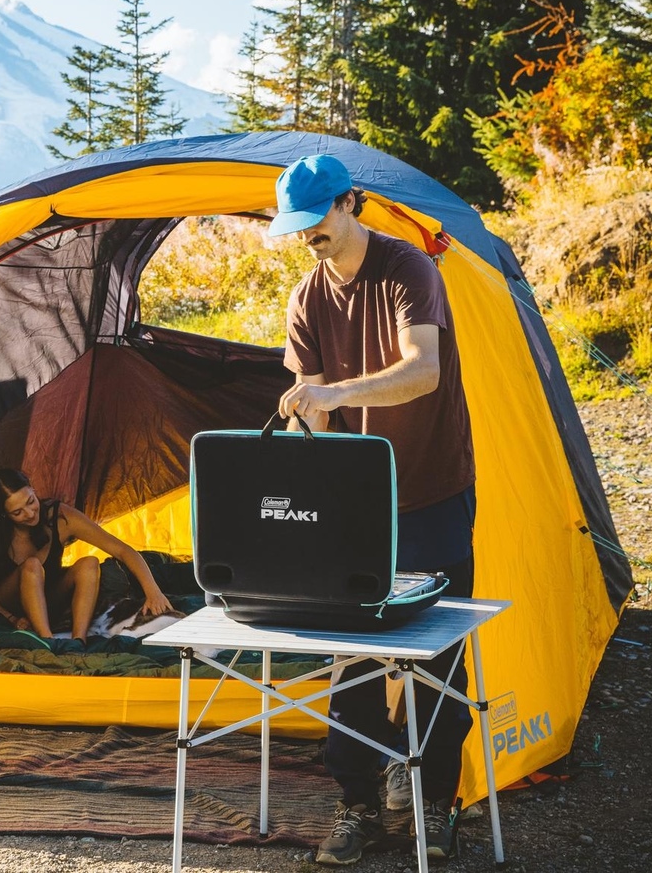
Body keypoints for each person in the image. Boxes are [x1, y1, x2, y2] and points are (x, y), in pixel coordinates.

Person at [269, 155, 477, 865]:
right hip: (357, 505)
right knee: (352, 657)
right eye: (296, 228)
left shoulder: (411, 270)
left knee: (438, 655)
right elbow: (316, 415)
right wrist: (305, 429)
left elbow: (424, 371)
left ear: (350, 203)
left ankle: (435, 803)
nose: (308, 237)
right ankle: (357, 802)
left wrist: (333, 393)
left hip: (431, 489)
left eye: (317, 221)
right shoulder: (306, 298)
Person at [0, 468, 174, 646]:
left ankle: (78, 640)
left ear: (33, 489)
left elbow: (121, 550)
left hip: (47, 601)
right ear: (4, 515)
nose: (30, 514)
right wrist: (12, 619)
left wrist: (153, 591)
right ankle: (47, 641)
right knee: (31, 566)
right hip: (7, 607)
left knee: (89, 563)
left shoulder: (60, 517)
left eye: (31, 502)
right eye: (17, 512)